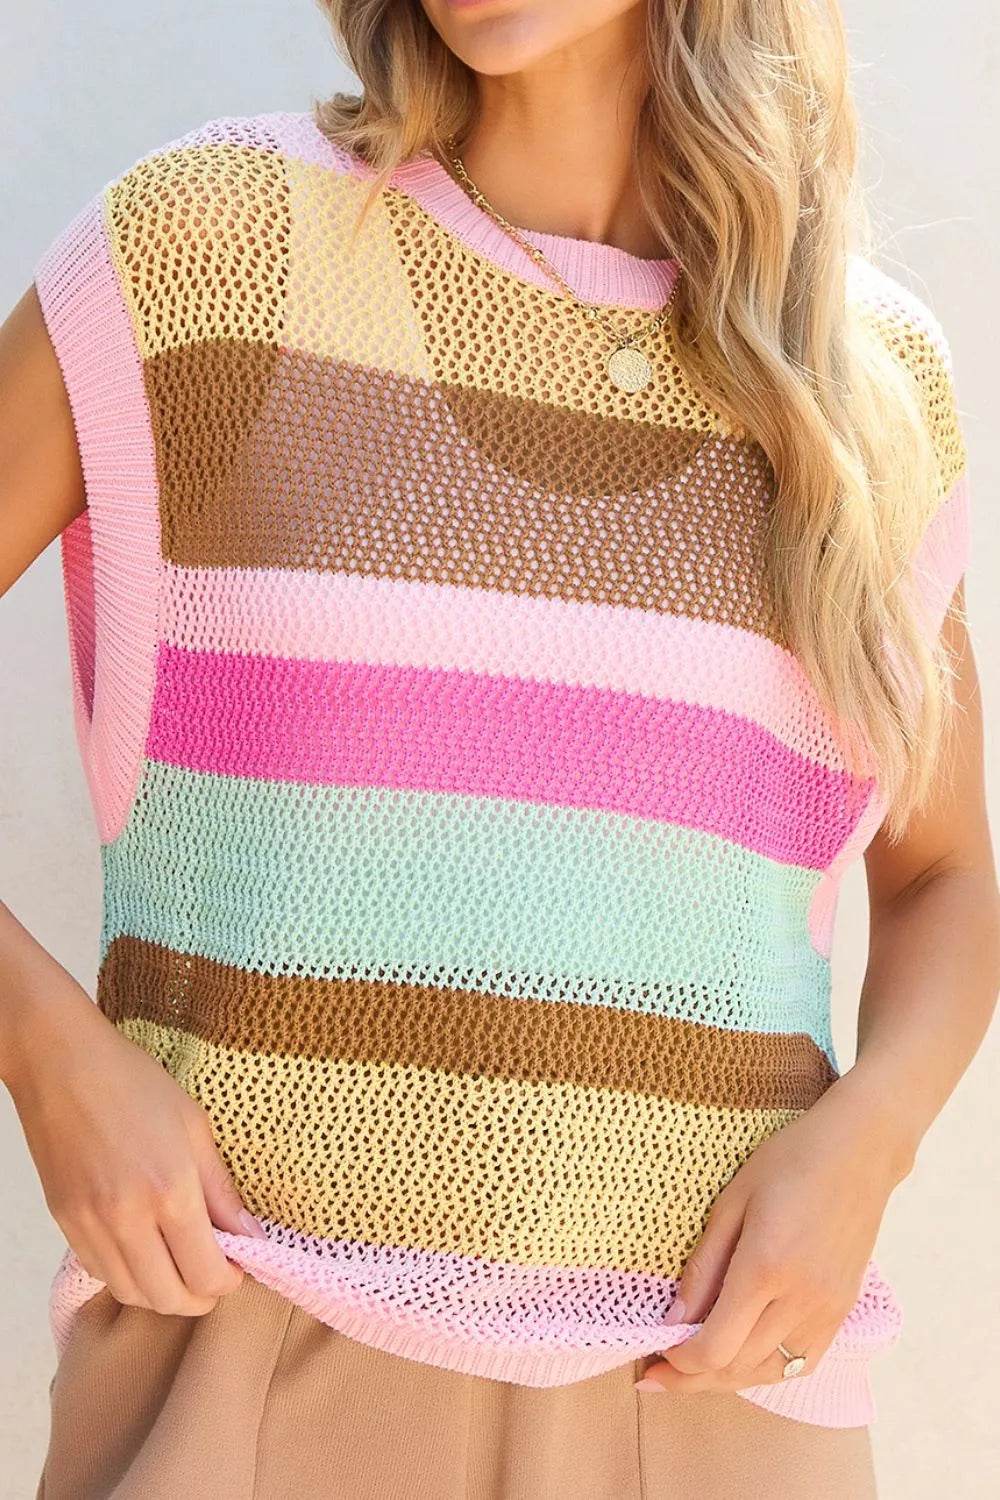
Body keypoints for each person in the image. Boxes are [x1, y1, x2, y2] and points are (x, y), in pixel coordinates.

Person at [1, 1, 997, 1496]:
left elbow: (944, 881)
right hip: (246, 1339)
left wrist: (867, 1148)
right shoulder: (208, 246)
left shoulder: (862, 386)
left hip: (706, 1382)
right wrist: (41, 1049)